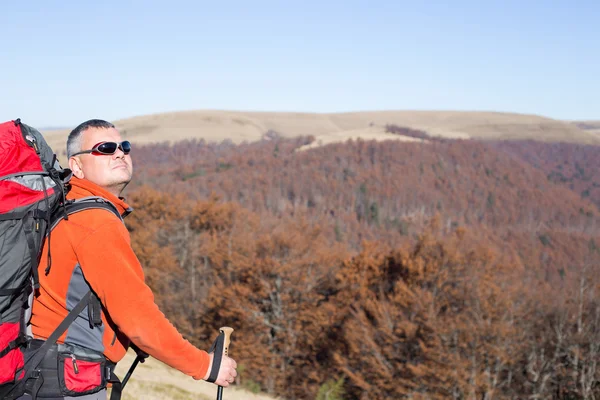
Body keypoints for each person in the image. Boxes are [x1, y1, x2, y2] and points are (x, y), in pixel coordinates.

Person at [17, 119, 237, 399]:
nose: (119, 153)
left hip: (40, 372)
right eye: (104, 148)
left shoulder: (68, 210)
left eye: (124, 146)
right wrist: (205, 366)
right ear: (77, 166)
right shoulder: (96, 222)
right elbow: (137, 317)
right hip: (67, 381)